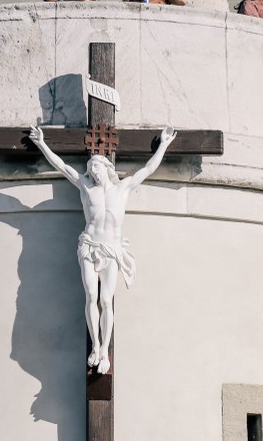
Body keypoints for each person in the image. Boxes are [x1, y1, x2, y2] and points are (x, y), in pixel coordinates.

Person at [28, 124, 177, 375]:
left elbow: (148, 169)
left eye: (96, 167)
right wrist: (42, 143)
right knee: (90, 296)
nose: (92, 171)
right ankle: (95, 347)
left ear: (107, 168)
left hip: (111, 248)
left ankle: (105, 349)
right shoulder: (86, 188)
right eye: (90, 168)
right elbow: (62, 167)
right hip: (89, 246)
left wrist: (163, 143)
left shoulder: (123, 188)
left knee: (106, 300)